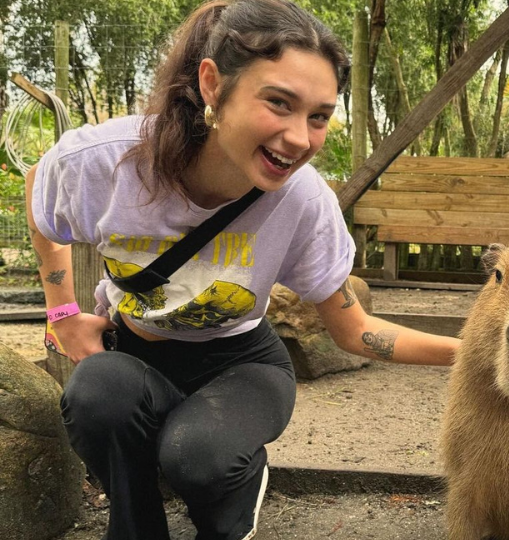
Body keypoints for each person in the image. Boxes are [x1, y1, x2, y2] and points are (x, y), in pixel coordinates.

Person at [25, 1, 460, 539]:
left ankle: (231, 500)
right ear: (213, 84)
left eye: (319, 116)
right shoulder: (107, 162)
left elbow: (356, 330)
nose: (300, 138)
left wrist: (477, 355)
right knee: (96, 394)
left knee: (198, 455)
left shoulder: (302, 201)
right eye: (279, 103)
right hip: (134, 351)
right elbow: (41, 196)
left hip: (242, 363)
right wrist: (63, 314)